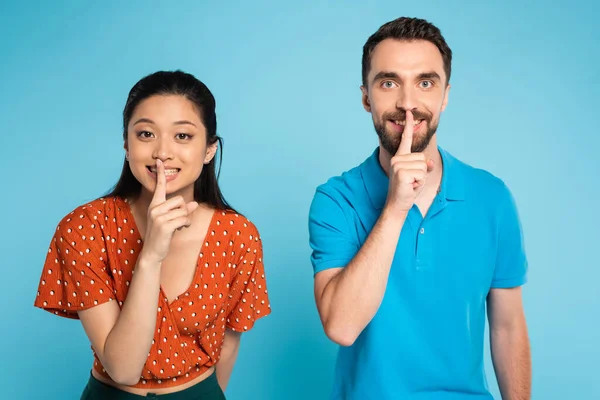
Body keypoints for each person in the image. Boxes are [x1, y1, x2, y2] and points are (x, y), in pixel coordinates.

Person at [308, 17, 531, 399]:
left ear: (445, 95)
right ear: (366, 97)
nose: (407, 104)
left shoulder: (491, 197)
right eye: (389, 82)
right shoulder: (335, 199)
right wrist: (396, 207)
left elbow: (507, 327)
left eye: (425, 83)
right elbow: (342, 327)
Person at [34, 70, 271, 399]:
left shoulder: (237, 235)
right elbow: (123, 368)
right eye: (146, 134)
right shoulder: (84, 228)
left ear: (209, 150)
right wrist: (151, 257)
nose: (162, 152)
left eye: (183, 136)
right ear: (126, 145)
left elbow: (229, 345)